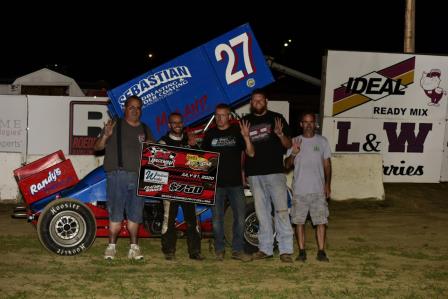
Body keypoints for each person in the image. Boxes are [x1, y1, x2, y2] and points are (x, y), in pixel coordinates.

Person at [94, 95, 155, 260]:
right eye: (131, 107)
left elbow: (153, 153)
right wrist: (106, 135)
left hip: (138, 177)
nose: (135, 111)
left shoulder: (145, 128)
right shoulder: (115, 124)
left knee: (135, 214)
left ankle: (134, 248)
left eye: (138, 108)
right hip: (117, 175)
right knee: (115, 213)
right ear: (124, 109)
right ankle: (111, 247)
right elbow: (97, 147)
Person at [242, 89, 294, 263]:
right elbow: (243, 152)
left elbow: (288, 145)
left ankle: (286, 250)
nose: (257, 103)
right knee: (261, 212)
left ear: (266, 101)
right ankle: (265, 249)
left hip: (275, 172)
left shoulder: (277, 118)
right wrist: (243, 171)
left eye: (260, 100)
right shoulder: (245, 121)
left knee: (281, 211)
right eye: (254, 101)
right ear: (251, 103)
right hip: (254, 174)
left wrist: (280, 134)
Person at [202, 103, 254, 262]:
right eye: (216, 115)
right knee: (217, 219)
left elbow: (251, 153)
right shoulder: (209, 134)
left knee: (239, 217)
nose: (219, 118)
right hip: (215, 184)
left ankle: (237, 250)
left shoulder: (237, 132)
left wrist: (246, 137)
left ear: (229, 116)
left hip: (235, 184)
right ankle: (219, 249)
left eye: (222, 115)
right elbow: (202, 159)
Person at [284, 112, 332, 262]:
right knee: (299, 222)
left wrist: (328, 185)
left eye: (311, 122)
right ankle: (302, 252)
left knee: (321, 222)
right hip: (299, 191)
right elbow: (286, 166)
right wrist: (293, 153)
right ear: (301, 124)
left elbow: (327, 165)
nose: (309, 125)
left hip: (318, 190)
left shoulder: (322, 141)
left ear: (315, 124)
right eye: (305, 122)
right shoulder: (294, 141)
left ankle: (321, 251)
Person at [158, 112, 204, 261]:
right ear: (169, 125)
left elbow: (201, 163)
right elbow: (157, 165)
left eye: (180, 122)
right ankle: (169, 250)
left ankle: (195, 252)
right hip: (170, 188)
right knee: (168, 220)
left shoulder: (189, 140)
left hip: (188, 187)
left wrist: (194, 147)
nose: (177, 125)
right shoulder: (162, 142)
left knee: (192, 220)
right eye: (174, 123)